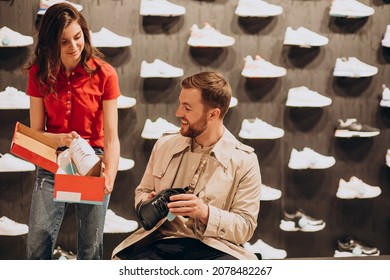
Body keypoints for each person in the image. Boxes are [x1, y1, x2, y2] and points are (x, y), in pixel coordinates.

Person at [112, 71, 261, 260]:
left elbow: (245, 227)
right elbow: (143, 190)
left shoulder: (244, 160)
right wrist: (147, 203)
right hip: (161, 243)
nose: (178, 113)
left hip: (216, 247)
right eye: (180, 104)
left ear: (213, 114)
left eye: (187, 108)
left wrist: (205, 212)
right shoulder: (164, 145)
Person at [25, 3, 120, 259]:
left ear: (85, 34)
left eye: (78, 37)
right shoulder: (39, 73)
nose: (74, 46)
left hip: (93, 159)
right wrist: (61, 139)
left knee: (90, 247)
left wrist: (109, 174)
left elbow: (112, 137)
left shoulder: (105, 74)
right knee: (37, 242)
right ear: (50, 42)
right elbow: (37, 132)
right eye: (64, 41)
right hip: (53, 157)